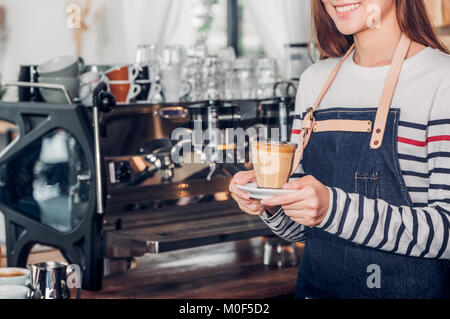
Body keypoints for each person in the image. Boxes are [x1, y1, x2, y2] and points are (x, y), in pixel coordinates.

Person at [229, 0, 450, 298]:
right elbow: (303, 232)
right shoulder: (314, 82)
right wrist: (269, 202)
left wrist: (331, 208)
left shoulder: (441, 80)